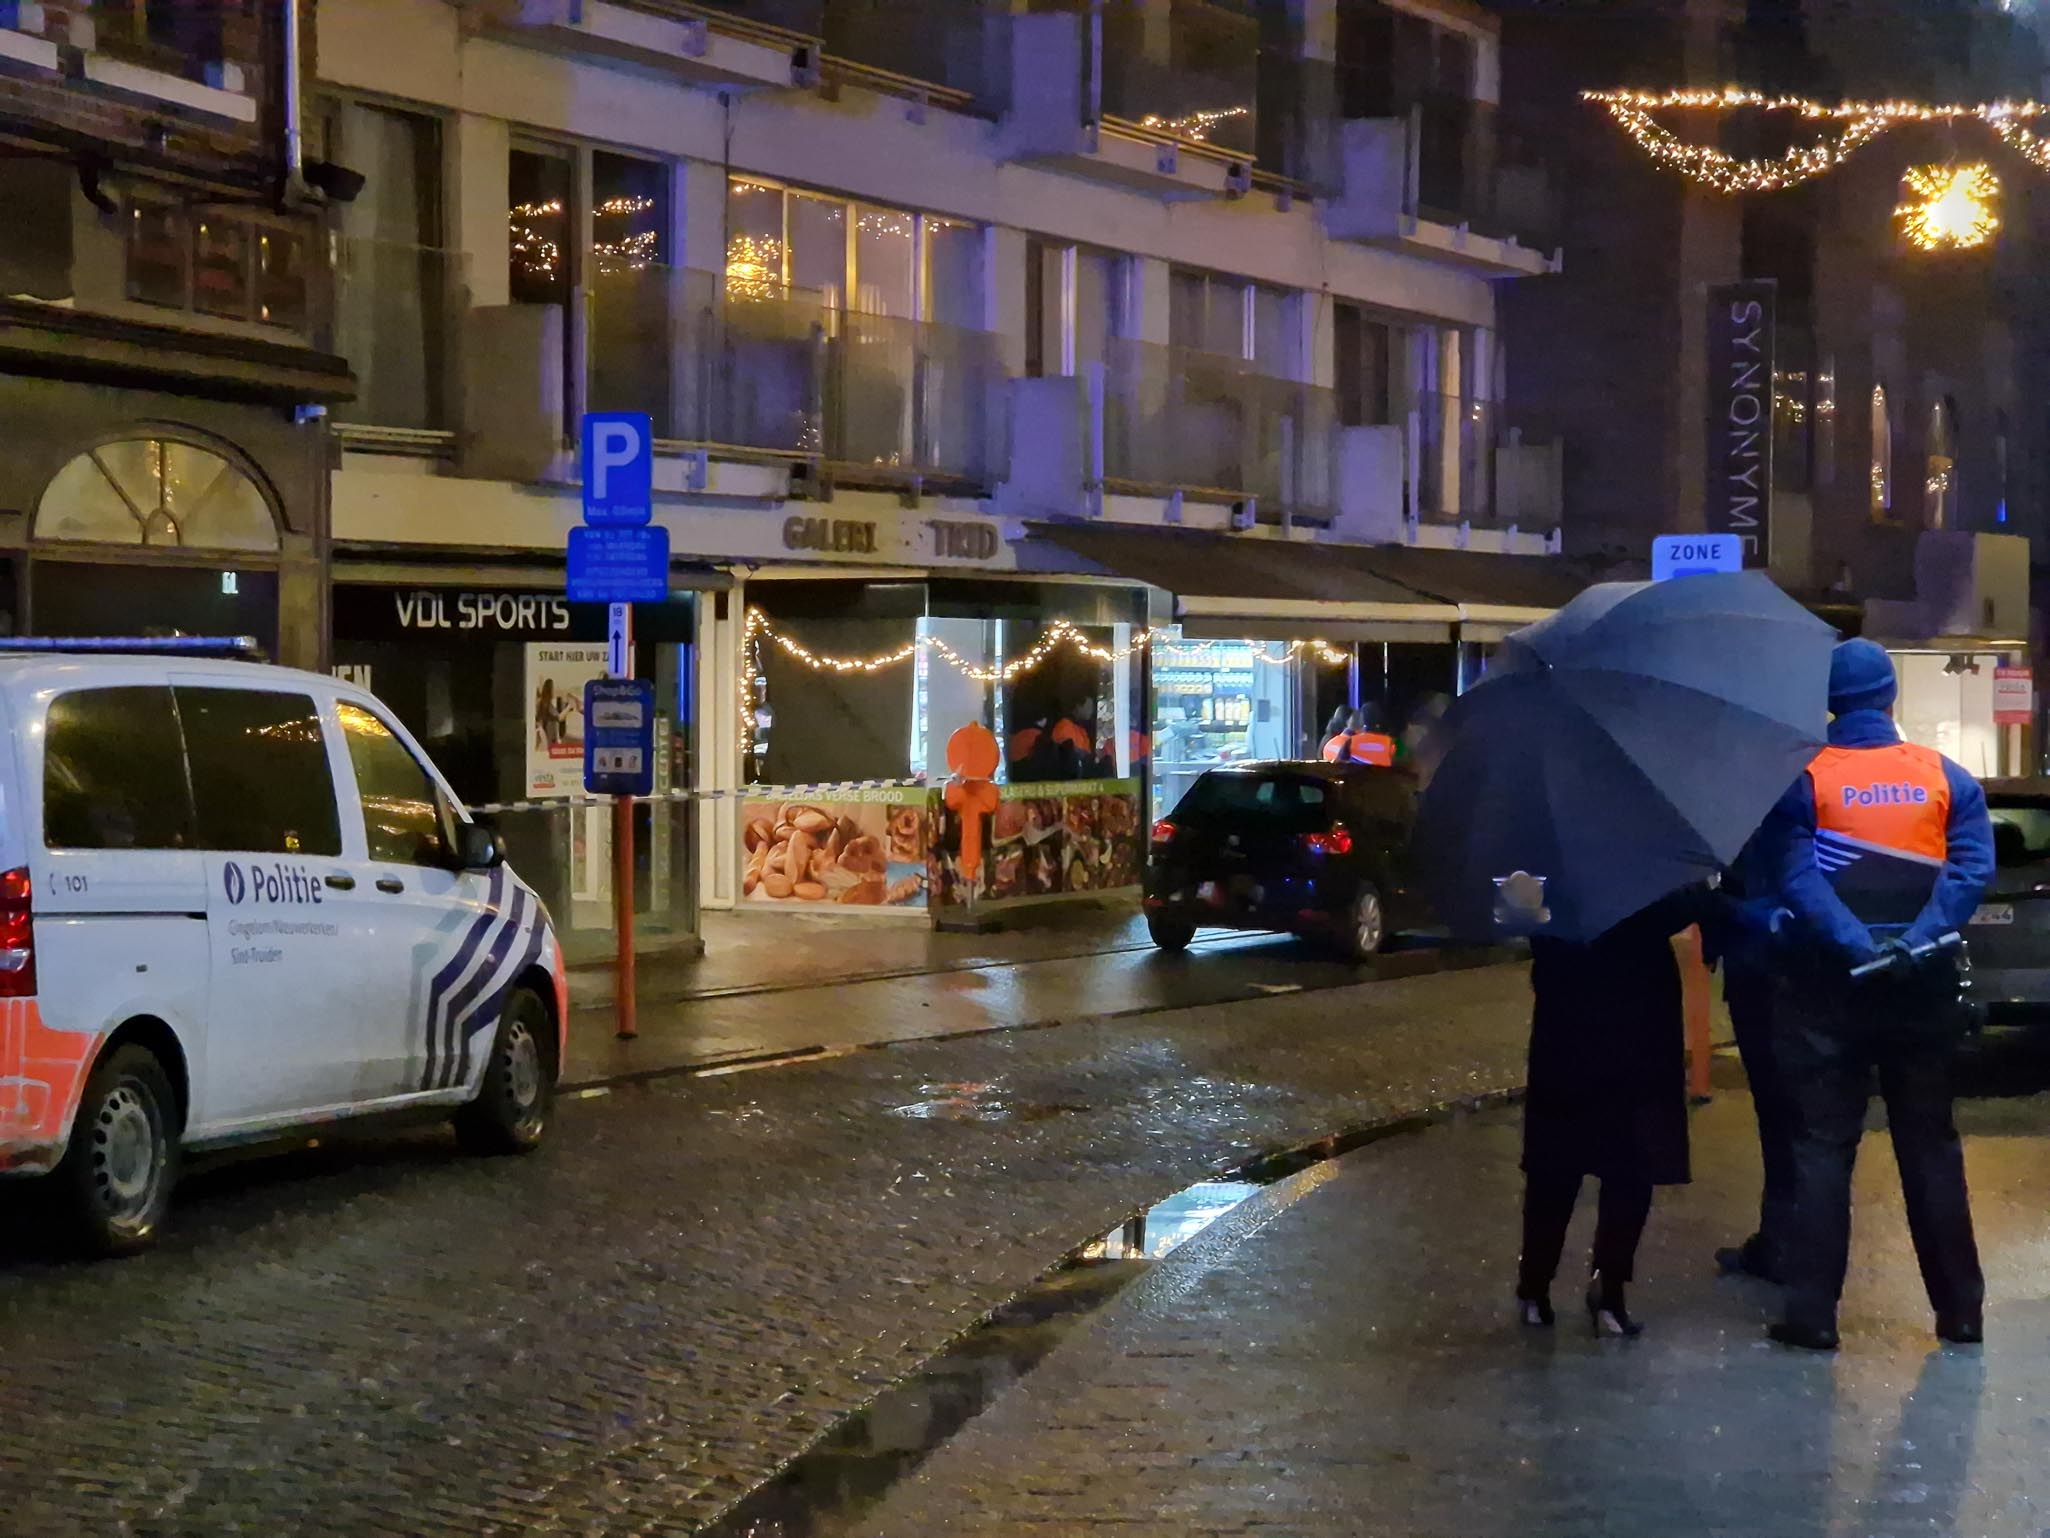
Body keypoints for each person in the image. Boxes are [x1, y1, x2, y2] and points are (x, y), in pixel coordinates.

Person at [1758, 638, 1993, 1351]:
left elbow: (1796, 880)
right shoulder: (1945, 777)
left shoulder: (1804, 780)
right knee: (1930, 1148)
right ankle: (1959, 1313)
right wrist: (1917, 939)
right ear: (1891, 699)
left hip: (1829, 991)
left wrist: (1857, 946)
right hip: (1921, 989)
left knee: (1824, 1148)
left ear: (1832, 702)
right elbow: (1970, 871)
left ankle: (1812, 1315)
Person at [1516, 885, 1711, 1336]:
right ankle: (1609, 1289)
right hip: (1640, 1012)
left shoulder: (1538, 838)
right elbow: (1687, 907)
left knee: (1555, 1158)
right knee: (1630, 1157)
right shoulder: (1652, 842)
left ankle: (1535, 1286)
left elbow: (1516, 911)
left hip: (1565, 1009)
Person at [1711, 830, 1800, 1284]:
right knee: (1793, 1117)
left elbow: (1763, 903)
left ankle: (1784, 1244)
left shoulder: (1765, 818)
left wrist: (1714, 904)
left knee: (1781, 1115)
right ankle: (1786, 1239)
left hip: (1765, 977)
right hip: (1785, 977)